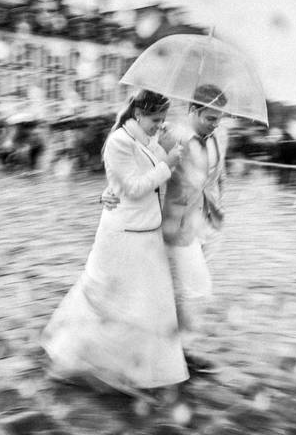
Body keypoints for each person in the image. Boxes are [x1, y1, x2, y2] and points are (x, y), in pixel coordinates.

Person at [41, 89, 188, 393]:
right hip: (124, 235)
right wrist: (167, 165)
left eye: (163, 119)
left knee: (143, 305)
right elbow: (133, 188)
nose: (160, 125)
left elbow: (140, 181)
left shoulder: (147, 140)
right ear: (139, 114)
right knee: (111, 302)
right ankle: (71, 358)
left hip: (146, 233)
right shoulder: (119, 141)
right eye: (155, 119)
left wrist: (167, 152)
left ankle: (129, 368)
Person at [102, 84, 230, 374]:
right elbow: (137, 168)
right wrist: (110, 191)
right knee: (192, 289)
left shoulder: (218, 138)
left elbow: (216, 176)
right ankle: (173, 352)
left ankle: (172, 349)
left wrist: (217, 209)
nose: (216, 124)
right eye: (210, 118)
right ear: (193, 110)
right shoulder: (171, 135)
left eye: (219, 118)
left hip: (201, 226)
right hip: (169, 227)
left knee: (180, 291)